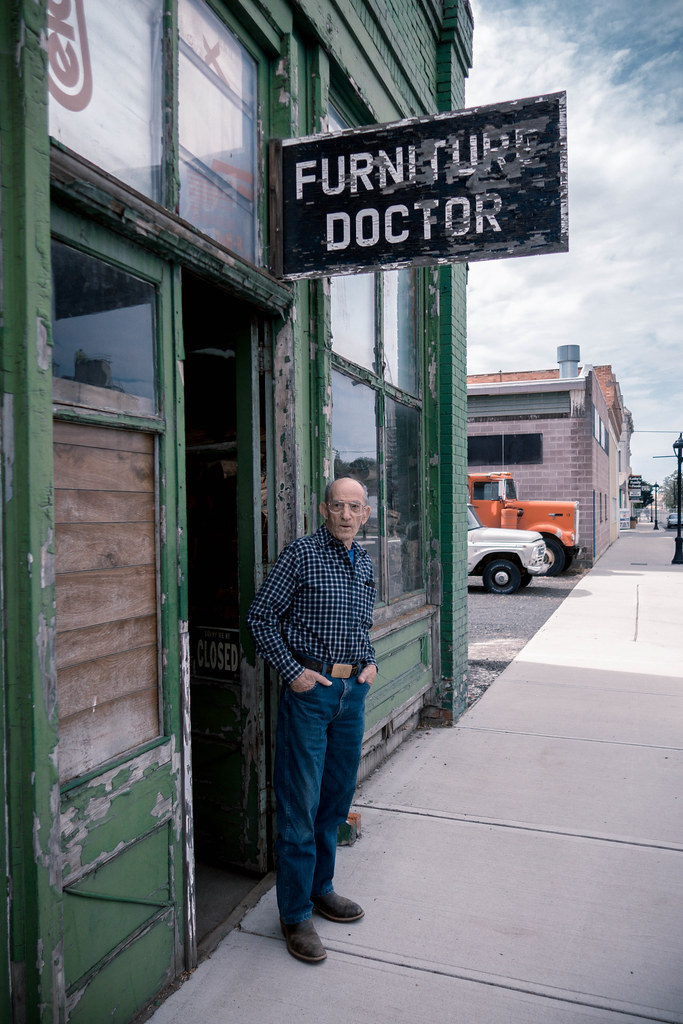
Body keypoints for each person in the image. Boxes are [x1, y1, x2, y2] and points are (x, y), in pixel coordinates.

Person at [247, 476, 378, 964]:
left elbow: (362, 623)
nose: (346, 514)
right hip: (311, 693)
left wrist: (370, 661)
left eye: (355, 507)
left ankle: (322, 889)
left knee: (334, 800)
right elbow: (260, 617)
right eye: (338, 505)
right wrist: (294, 673)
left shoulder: (364, 560)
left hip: (352, 694)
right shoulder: (301, 555)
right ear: (324, 509)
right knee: (300, 804)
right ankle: (295, 914)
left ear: (365, 514)